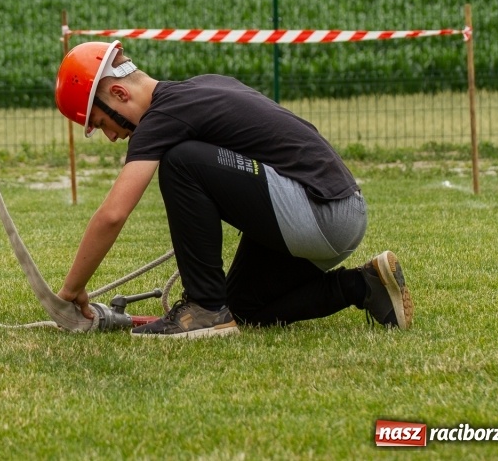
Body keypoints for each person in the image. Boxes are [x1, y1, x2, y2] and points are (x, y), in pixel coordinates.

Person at [54, 40, 413, 338]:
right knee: (241, 308)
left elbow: (113, 215)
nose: (112, 136)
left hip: (319, 213)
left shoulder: (162, 118)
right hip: (339, 212)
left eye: (102, 123)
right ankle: (364, 286)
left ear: (118, 92)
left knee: (180, 161)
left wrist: (70, 292)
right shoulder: (205, 86)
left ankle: (204, 308)